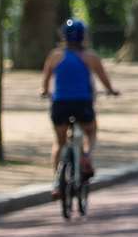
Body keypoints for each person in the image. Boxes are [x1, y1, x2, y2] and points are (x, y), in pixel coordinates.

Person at [39, 18, 119, 190]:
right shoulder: (90, 57)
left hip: (60, 104)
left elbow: (45, 82)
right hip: (83, 104)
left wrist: (45, 91)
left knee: (59, 143)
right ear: (83, 36)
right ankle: (86, 156)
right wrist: (111, 91)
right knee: (91, 131)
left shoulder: (54, 56)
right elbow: (104, 80)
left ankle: (56, 184)